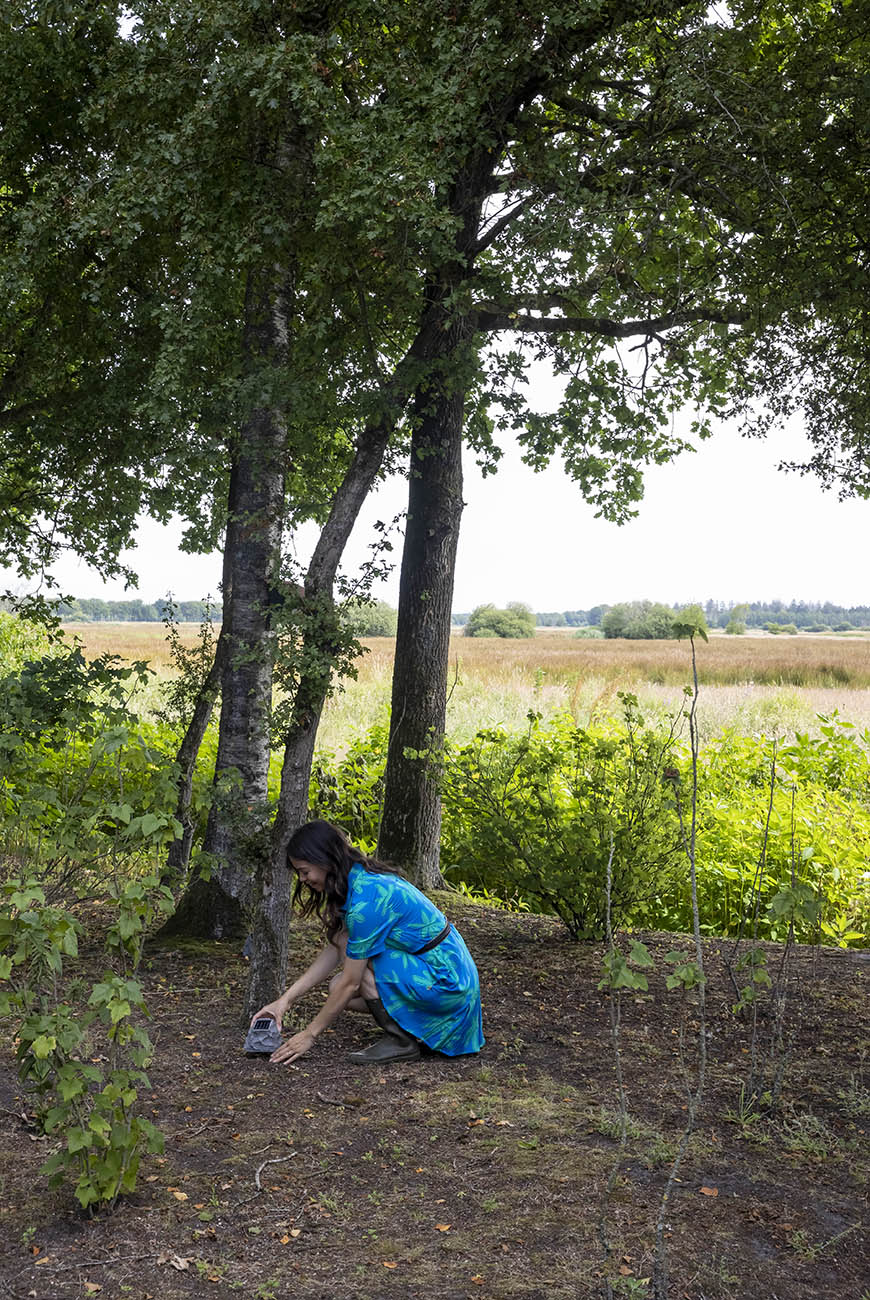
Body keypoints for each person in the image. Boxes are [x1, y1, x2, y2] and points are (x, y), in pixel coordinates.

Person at [251, 820, 484, 1066]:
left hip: (448, 983)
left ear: (325, 859)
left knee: (351, 978)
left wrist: (309, 1034)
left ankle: (401, 1041)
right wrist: (284, 1001)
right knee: (338, 981)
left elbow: (352, 982)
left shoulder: (365, 901)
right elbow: (337, 947)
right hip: (445, 973)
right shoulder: (359, 878)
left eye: (304, 871)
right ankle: (411, 1028)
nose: (302, 879)